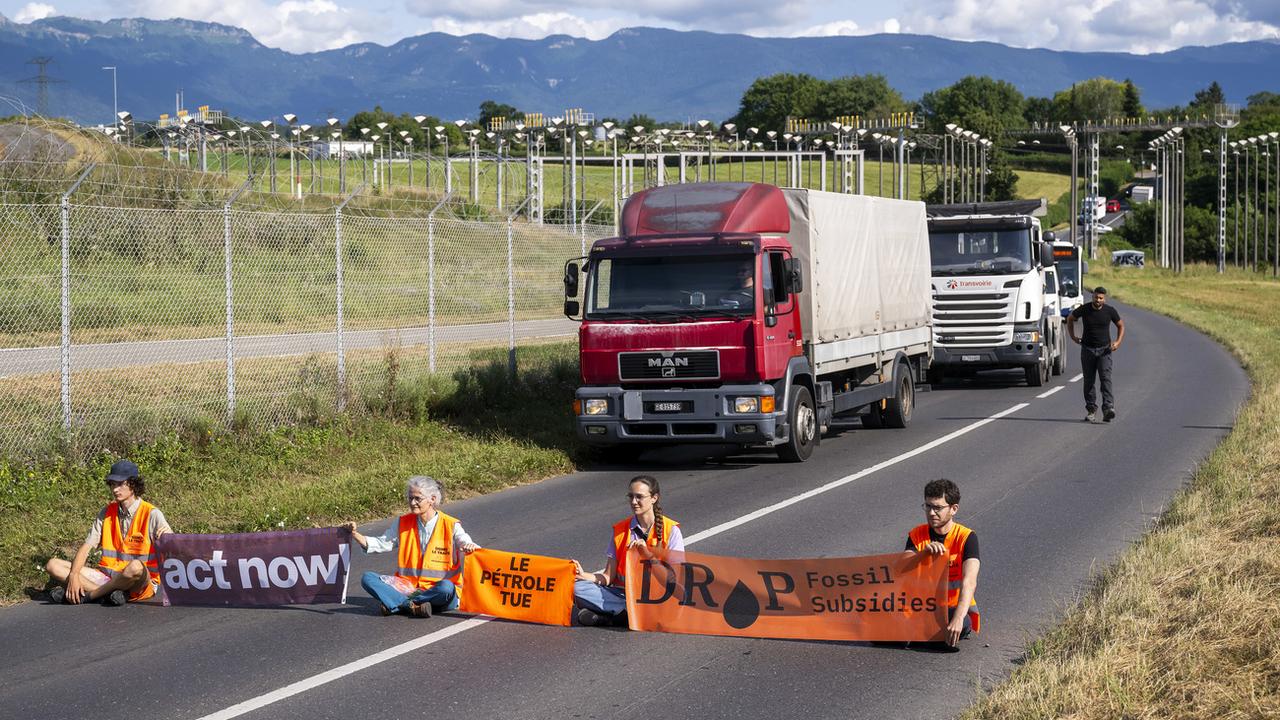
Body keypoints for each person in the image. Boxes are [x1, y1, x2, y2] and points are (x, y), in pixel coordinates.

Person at [345, 476, 479, 617]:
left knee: (446, 588)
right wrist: (354, 534)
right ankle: (412, 605)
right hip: (408, 588)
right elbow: (381, 543)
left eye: (417, 499)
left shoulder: (451, 525)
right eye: (410, 498)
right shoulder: (403, 522)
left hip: (437, 591)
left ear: (432, 499)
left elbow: (467, 543)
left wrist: (470, 547)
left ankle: (399, 603)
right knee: (368, 578)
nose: (412, 503)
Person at [44, 459, 171, 606]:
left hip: (139, 582)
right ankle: (108, 595)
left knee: (135, 566)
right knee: (53, 565)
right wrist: (74, 576)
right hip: (107, 577)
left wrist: (167, 535)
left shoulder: (152, 513)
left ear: (133, 484)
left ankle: (88, 596)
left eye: (120, 484)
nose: (115, 489)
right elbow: (86, 548)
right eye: (112, 484)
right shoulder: (107, 512)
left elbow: (173, 548)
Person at [572, 475, 683, 627]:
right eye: (630, 496)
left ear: (654, 498)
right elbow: (608, 577)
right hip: (623, 597)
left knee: (679, 599)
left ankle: (610, 617)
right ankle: (627, 613)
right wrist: (583, 575)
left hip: (656, 598)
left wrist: (647, 554)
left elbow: (673, 581)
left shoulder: (671, 531)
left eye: (639, 497)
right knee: (577, 587)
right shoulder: (620, 530)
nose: (633, 502)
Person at [905, 478, 979, 649]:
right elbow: (902, 566)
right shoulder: (917, 534)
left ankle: (920, 635)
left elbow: (969, 581)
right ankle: (921, 635)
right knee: (877, 624)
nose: (931, 513)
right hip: (921, 610)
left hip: (952, 609)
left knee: (956, 625)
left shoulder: (967, 537)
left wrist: (959, 618)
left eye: (937, 508)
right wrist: (923, 554)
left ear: (953, 509)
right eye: (928, 506)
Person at [1067, 286, 1125, 423]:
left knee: (1105, 379)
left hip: (1105, 350)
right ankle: (1091, 410)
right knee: (1089, 381)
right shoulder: (1085, 309)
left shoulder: (1109, 311)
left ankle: (1108, 408)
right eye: (1095, 297)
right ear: (1092, 296)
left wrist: (1117, 342)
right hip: (1087, 349)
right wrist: (1073, 336)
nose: (1097, 300)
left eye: (1100, 298)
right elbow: (1070, 319)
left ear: (1104, 299)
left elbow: (1121, 325)